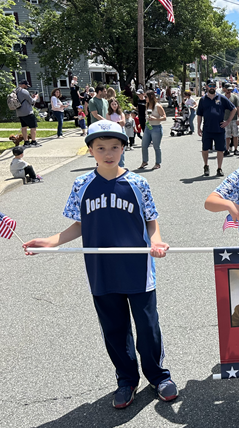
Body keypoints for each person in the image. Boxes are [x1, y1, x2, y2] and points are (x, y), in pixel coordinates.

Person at [21, 120, 178, 407]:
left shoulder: (138, 183)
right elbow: (79, 225)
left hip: (138, 269)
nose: (108, 153)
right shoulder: (82, 184)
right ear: (90, 150)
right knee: (114, 328)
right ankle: (126, 379)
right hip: (101, 270)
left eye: (115, 147)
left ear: (123, 148)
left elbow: (151, 220)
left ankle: (159, 376)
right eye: (101, 147)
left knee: (147, 326)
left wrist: (156, 241)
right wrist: (51, 241)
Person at [196, 81, 237, 177]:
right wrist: (198, 127)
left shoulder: (221, 98)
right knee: (205, 149)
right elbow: (199, 115)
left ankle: (219, 168)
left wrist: (228, 121)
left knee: (220, 150)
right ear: (206, 86)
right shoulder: (203, 100)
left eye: (213, 86)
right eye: (210, 85)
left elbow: (233, 109)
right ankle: (206, 166)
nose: (212, 87)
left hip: (219, 128)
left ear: (216, 87)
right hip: (207, 128)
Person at [139, 91, 165, 170]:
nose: (144, 98)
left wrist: (156, 119)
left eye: (146, 97)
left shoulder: (157, 106)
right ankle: (145, 161)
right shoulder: (147, 105)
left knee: (156, 146)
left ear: (150, 97)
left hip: (156, 127)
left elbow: (164, 117)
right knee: (144, 145)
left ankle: (157, 163)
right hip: (148, 127)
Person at [14, 79, 40, 147]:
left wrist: (31, 97)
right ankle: (33, 141)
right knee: (33, 127)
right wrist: (35, 98)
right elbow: (31, 101)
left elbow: (24, 100)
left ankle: (26, 142)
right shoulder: (24, 91)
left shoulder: (16, 91)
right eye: (26, 85)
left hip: (19, 112)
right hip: (27, 112)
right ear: (23, 85)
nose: (27, 87)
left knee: (24, 127)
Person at [226, 88, 239, 157]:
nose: (229, 91)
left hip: (234, 119)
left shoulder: (234, 97)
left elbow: (238, 108)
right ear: (225, 89)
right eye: (227, 89)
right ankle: (227, 149)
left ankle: (235, 149)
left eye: (230, 90)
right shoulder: (222, 97)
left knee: (235, 135)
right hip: (225, 119)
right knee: (227, 135)